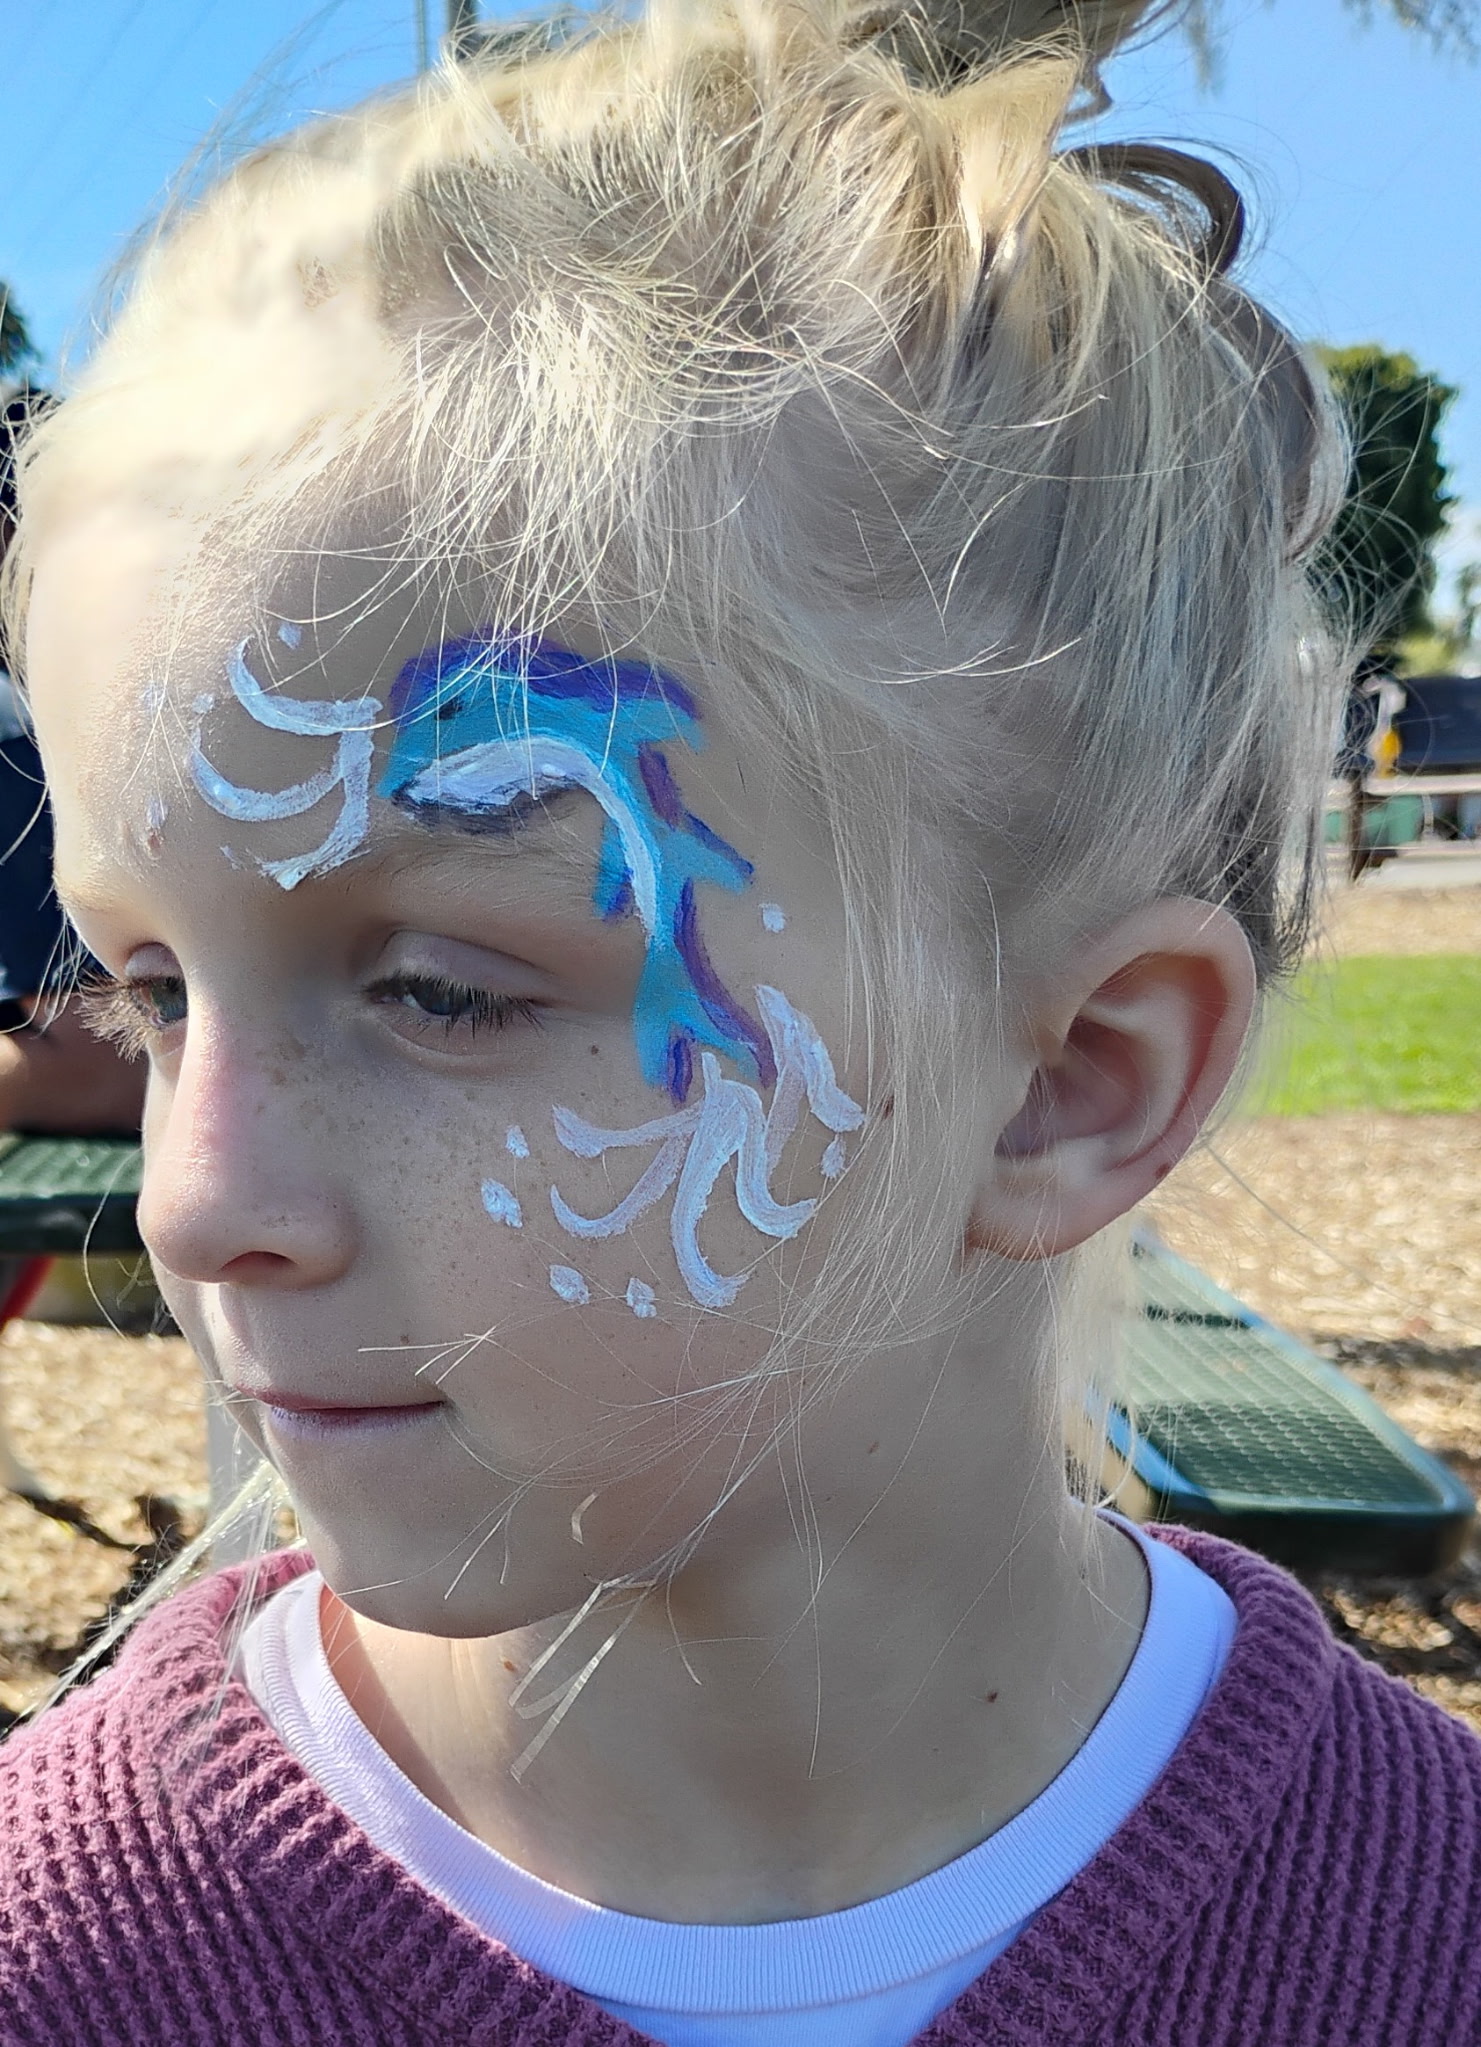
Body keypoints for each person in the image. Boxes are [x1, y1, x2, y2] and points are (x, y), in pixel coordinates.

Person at [2, 3, 1478, 2041]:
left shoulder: (1418, 1938)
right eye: (154, 987)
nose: (191, 1202)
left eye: (442, 988)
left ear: (1068, 1082)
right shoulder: (67, 1962)